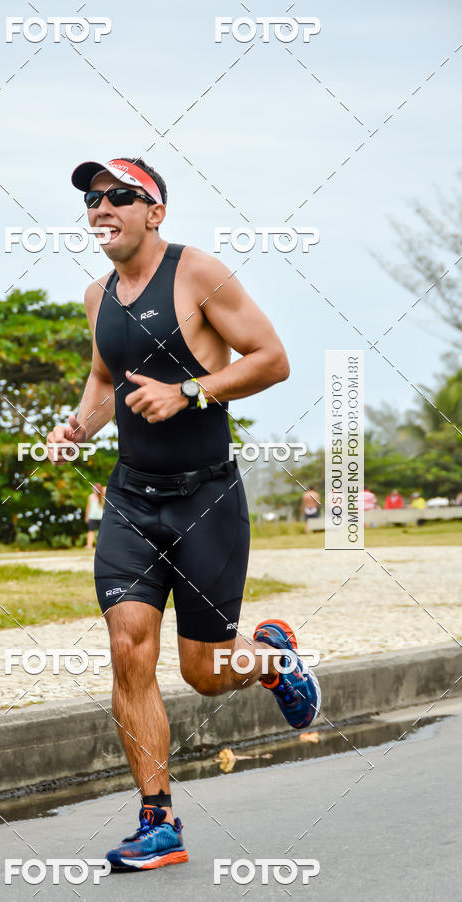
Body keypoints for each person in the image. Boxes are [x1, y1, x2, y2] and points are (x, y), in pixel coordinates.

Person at [47, 156, 321, 871]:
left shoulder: (199, 273)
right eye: (92, 200)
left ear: (154, 211)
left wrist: (191, 392)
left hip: (207, 500)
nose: (100, 208)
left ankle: (270, 658)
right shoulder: (95, 295)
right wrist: (77, 426)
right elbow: (106, 380)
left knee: (202, 671)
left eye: (118, 197)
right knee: (128, 647)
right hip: (132, 499)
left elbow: (272, 358)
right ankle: (157, 820)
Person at [85, 483, 105, 549]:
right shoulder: (90, 496)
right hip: (92, 517)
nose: (93, 489)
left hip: (100, 517)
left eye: (94, 488)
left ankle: (102, 545)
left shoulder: (102, 496)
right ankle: (89, 545)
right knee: (91, 531)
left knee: (102, 532)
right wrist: (87, 516)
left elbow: (106, 488)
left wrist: (100, 489)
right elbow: (88, 507)